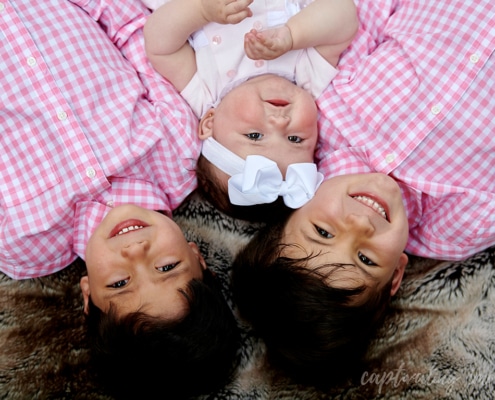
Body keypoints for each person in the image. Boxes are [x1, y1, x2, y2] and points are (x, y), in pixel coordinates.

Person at [232, 0, 495, 387]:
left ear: (296, 205)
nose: (359, 224)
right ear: (396, 276)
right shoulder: (459, 227)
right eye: (366, 259)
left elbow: (365, 16)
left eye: (322, 231)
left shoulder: (325, 117)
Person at [0, 1, 238, 397]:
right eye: (166, 265)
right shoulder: (177, 154)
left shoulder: (22, 244)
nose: (136, 251)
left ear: (88, 297)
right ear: (198, 257)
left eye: (120, 282)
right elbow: (136, 39)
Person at [142, 0, 358, 219]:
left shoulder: (208, 92)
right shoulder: (307, 77)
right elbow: (345, 16)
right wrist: (293, 35)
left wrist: (202, 11)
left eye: (255, 135)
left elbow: (160, 45)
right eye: (295, 139)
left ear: (210, 122)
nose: (280, 123)